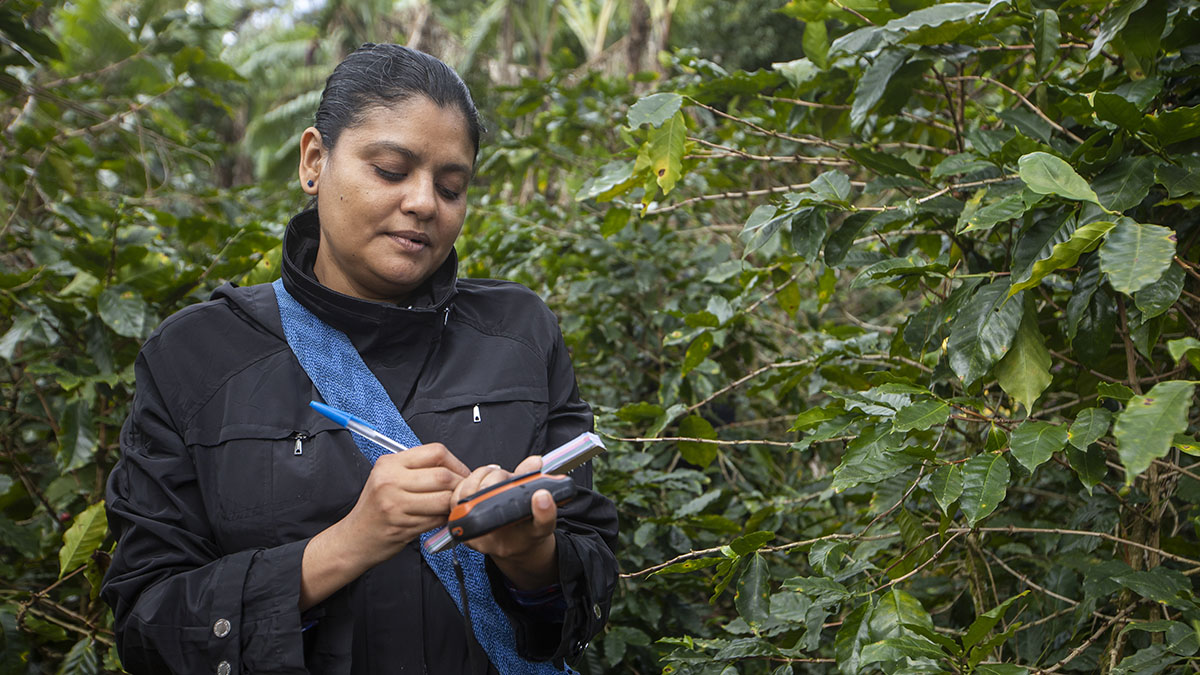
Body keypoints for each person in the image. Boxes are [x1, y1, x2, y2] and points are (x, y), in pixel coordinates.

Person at [101, 43, 619, 675]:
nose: (426, 203)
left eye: (451, 186)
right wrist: (344, 547)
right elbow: (147, 623)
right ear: (315, 160)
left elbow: (589, 577)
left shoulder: (519, 332)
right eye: (391, 171)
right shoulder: (195, 355)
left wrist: (528, 557)